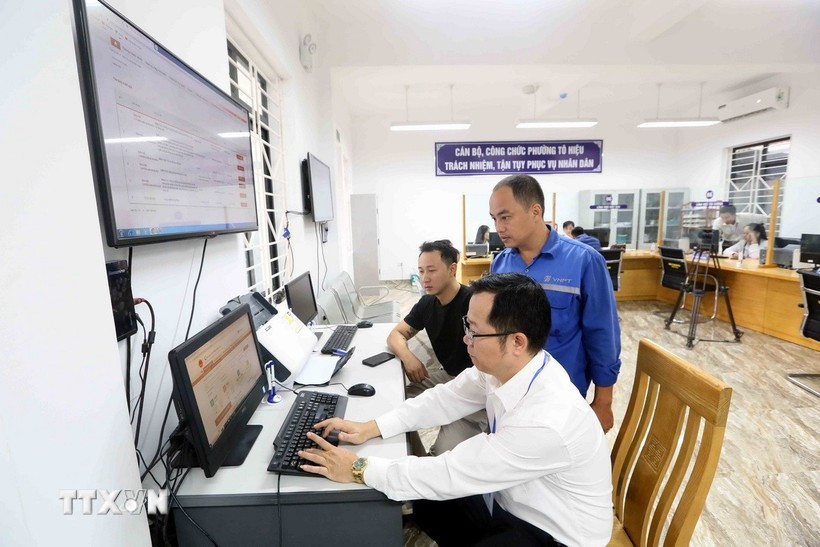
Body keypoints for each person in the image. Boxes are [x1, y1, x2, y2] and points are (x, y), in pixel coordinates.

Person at [301, 273, 613, 547]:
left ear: (517, 342)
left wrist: (358, 468)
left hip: (553, 535)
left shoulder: (546, 421)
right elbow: (445, 398)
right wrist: (372, 426)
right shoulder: (511, 367)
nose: (466, 338)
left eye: (475, 331)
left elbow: (452, 472)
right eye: (467, 325)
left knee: (429, 481)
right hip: (513, 501)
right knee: (426, 499)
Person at [489, 174, 621, 432]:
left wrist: (603, 402)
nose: (499, 228)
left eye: (505, 217)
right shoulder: (500, 264)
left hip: (562, 398)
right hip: (510, 393)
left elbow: (603, 334)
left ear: (535, 211)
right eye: (494, 219)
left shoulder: (584, 261)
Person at [386, 239, 487, 455]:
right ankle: (417, 458)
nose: (425, 278)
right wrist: (408, 357)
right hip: (448, 376)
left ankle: (430, 461)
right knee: (394, 403)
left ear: (452, 269)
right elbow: (395, 335)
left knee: (443, 454)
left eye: (431, 270)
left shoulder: (474, 303)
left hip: (476, 387)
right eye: (421, 271)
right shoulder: (427, 303)